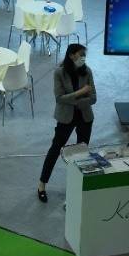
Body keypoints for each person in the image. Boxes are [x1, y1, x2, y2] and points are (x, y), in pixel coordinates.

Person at [36, 43, 96, 203]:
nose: (83, 57)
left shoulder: (87, 71)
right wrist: (81, 93)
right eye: (81, 54)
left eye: (84, 55)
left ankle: (78, 185)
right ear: (71, 55)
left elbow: (93, 98)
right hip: (66, 117)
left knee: (82, 153)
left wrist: (75, 100)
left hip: (85, 116)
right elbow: (59, 98)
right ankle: (42, 184)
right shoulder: (59, 73)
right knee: (55, 149)